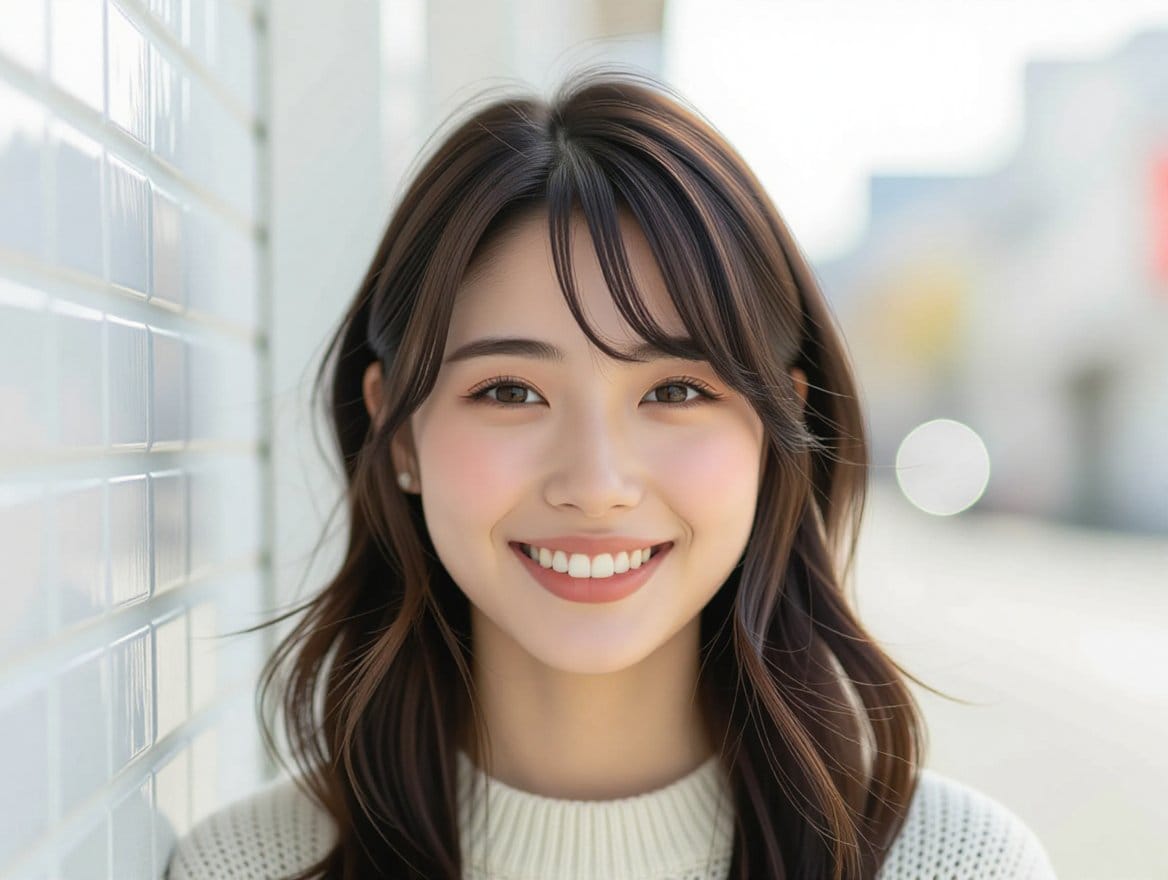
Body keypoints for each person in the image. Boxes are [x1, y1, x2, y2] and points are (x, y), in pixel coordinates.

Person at [165, 69, 1057, 879]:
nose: (596, 484)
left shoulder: (954, 867)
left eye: (673, 388)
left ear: (778, 425)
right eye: (510, 391)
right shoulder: (250, 868)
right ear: (397, 433)